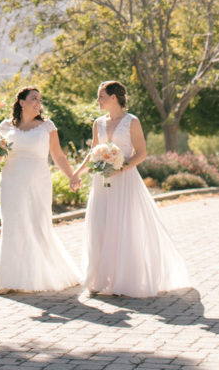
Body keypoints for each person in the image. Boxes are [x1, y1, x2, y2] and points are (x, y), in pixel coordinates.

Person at [75, 79, 190, 297]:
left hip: (125, 181)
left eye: (101, 96)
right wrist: (76, 174)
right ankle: (100, 279)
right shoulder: (97, 123)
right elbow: (92, 153)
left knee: (122, 227)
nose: (98, 100)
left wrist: (121, 168)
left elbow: (141, 152)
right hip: (101, 182)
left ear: (114, 98)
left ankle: (124, 279)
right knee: (99, 224)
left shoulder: (132, 121)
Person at [0, 86, 81, 294]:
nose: (38, 102)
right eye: (33, 98)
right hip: (11, 182)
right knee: (13, 226)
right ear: (21, 102)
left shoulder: (47, 126)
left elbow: (58, 155)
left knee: (38, 225)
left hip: (38, 182)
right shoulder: (5, 126)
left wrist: (71, 175)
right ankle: (8, 279)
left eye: (39, 99)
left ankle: (43, 275)